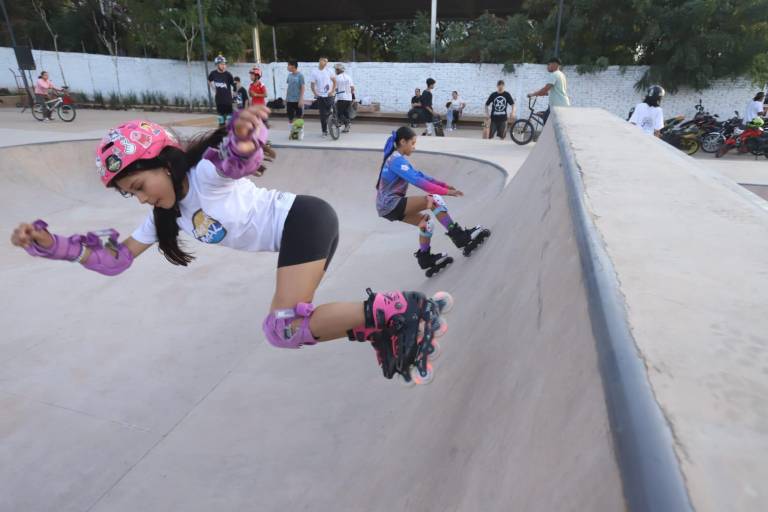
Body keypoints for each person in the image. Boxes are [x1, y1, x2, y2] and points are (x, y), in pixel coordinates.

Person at [9, 106, 442, 383]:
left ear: (164, 162)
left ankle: (400, 311)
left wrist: (243, 136)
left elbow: (235, 161)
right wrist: (53, 244)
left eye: (140, 185)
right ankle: (380, 327)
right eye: (131, 194)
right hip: (304, 228)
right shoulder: (166, 215)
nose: (142, 198)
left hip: (304, 220)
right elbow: (114, 259)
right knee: (286, 329)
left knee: (283, 326)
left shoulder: (203, 176)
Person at [376, 127, 490, 274]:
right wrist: (446, 192)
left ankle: (425, 258)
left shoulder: (397, 159)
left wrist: (442, 184)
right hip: (391, 205)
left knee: (426, 224)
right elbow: (417, 181)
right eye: (412, 143)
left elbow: (419, 174)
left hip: (386, 208)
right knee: (434, 199)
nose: (414, 147)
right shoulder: (395, 160)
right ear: (403, 142)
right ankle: (460, 237)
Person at [527, 57, 570, 123]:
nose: (547, 67)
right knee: (547, 118)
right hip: (562, 104)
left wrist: (533, 94)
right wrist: (541, 93)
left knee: (547, 121)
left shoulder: (554, 74)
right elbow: (553, 90)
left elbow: (545, 89)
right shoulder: (562, 75)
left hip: (557, 106)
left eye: (549, 64)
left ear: (554, 64)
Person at [310, 57, 337, 137]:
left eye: (326, 61)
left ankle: (335, 125)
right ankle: (324, 131)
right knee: (322, 115)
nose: (325, 62)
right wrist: (315, 93)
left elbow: (335, 82)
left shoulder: (329, 71)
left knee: (333, 111)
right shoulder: (314, 72)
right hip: (321, 96)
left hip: (329, 95)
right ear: (320, 61)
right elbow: (312, 84)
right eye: (324, 61)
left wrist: (332, 91)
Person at [207, 55, 235, 127]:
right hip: (219, 101)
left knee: (229, 122)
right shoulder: (213, 74)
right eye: (222, 64)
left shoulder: (228, 75)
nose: (224, 66)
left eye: (224, 64)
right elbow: (209, 81)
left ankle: (229, 136)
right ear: (217, 65)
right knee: (221, 122)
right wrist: (214, 89)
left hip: (228, 101)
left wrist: (234, 96)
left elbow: (234, 86)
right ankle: (222, 136)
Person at [333, 63, 355, 133]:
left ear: (338, 70)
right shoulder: (349, 77)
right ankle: (346, 126)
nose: (335, 71)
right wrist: (353, 97)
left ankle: (346, 123)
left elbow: (335, 89)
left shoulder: (337, 78)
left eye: (335, 70)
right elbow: (352, 88)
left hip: (341, 97)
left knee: (339, 113)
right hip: (348, 98)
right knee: (346, 112)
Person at [285, 60, 305, 127]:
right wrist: (286, 98)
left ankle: (300, 132)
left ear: (293, 66)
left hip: (297, 100)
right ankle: (292, 132)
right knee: (290, 118)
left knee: (299, 118)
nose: (287, 67)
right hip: (289, 100)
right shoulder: (289, 75)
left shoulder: (300, 75)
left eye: (288, 65)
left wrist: (301, 99)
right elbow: (289, 87)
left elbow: (302, 87)